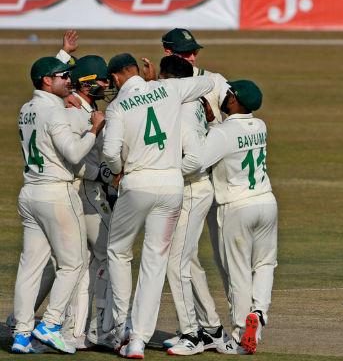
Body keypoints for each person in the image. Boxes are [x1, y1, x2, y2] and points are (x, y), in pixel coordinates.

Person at [100, 54, 214, 358]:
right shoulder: (169, 89)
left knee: (119, 251)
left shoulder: (116, 106)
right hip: (172, 187)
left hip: (137, 184)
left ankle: (121, 327)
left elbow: (111, 153)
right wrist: (159, 82)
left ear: (118, 77)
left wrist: (119, 169)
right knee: (155, 261)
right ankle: (138, 339)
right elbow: (207, 81)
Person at [13, 57, 105, 354]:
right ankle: (50, 325)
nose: (69, 80)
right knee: (74, 262)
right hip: (56, 193)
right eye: (63, 76)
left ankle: (22, 334)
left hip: (30, 193)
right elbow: (74, 153)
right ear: (46, 81)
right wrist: (94, 128)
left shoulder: (27, 109)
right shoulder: (55, 112)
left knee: (30, 269)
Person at [155, 56, 228, 355]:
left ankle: (192, 334)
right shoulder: (193, 101)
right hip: (191, 190)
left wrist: (166, 171)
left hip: (192, 190)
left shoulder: (184, 110)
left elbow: (195, 161)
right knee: (189, 262)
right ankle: (212, 328)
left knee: (176, 263)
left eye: (161, 77)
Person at [200, 80, 276, 355]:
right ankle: (259, 312)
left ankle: (241, 336)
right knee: (265, 263)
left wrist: (210, 127)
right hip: (266, 201)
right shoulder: (261, 126)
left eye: (228, 93)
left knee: (239, 272)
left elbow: (200, 161)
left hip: (236, 205)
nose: (224, 96)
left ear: (233, 101)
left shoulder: (223, 132)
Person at [60, 54, 117, 350]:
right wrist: (105, 176)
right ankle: (101, 328)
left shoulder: (85, 106)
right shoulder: (73, 113)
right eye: (101, 80)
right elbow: (74, 162)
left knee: (84, 264)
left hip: (88, 191)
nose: (106, 84)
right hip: (85, 192)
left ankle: (74, 330)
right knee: (109, 255)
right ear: (83, 83)